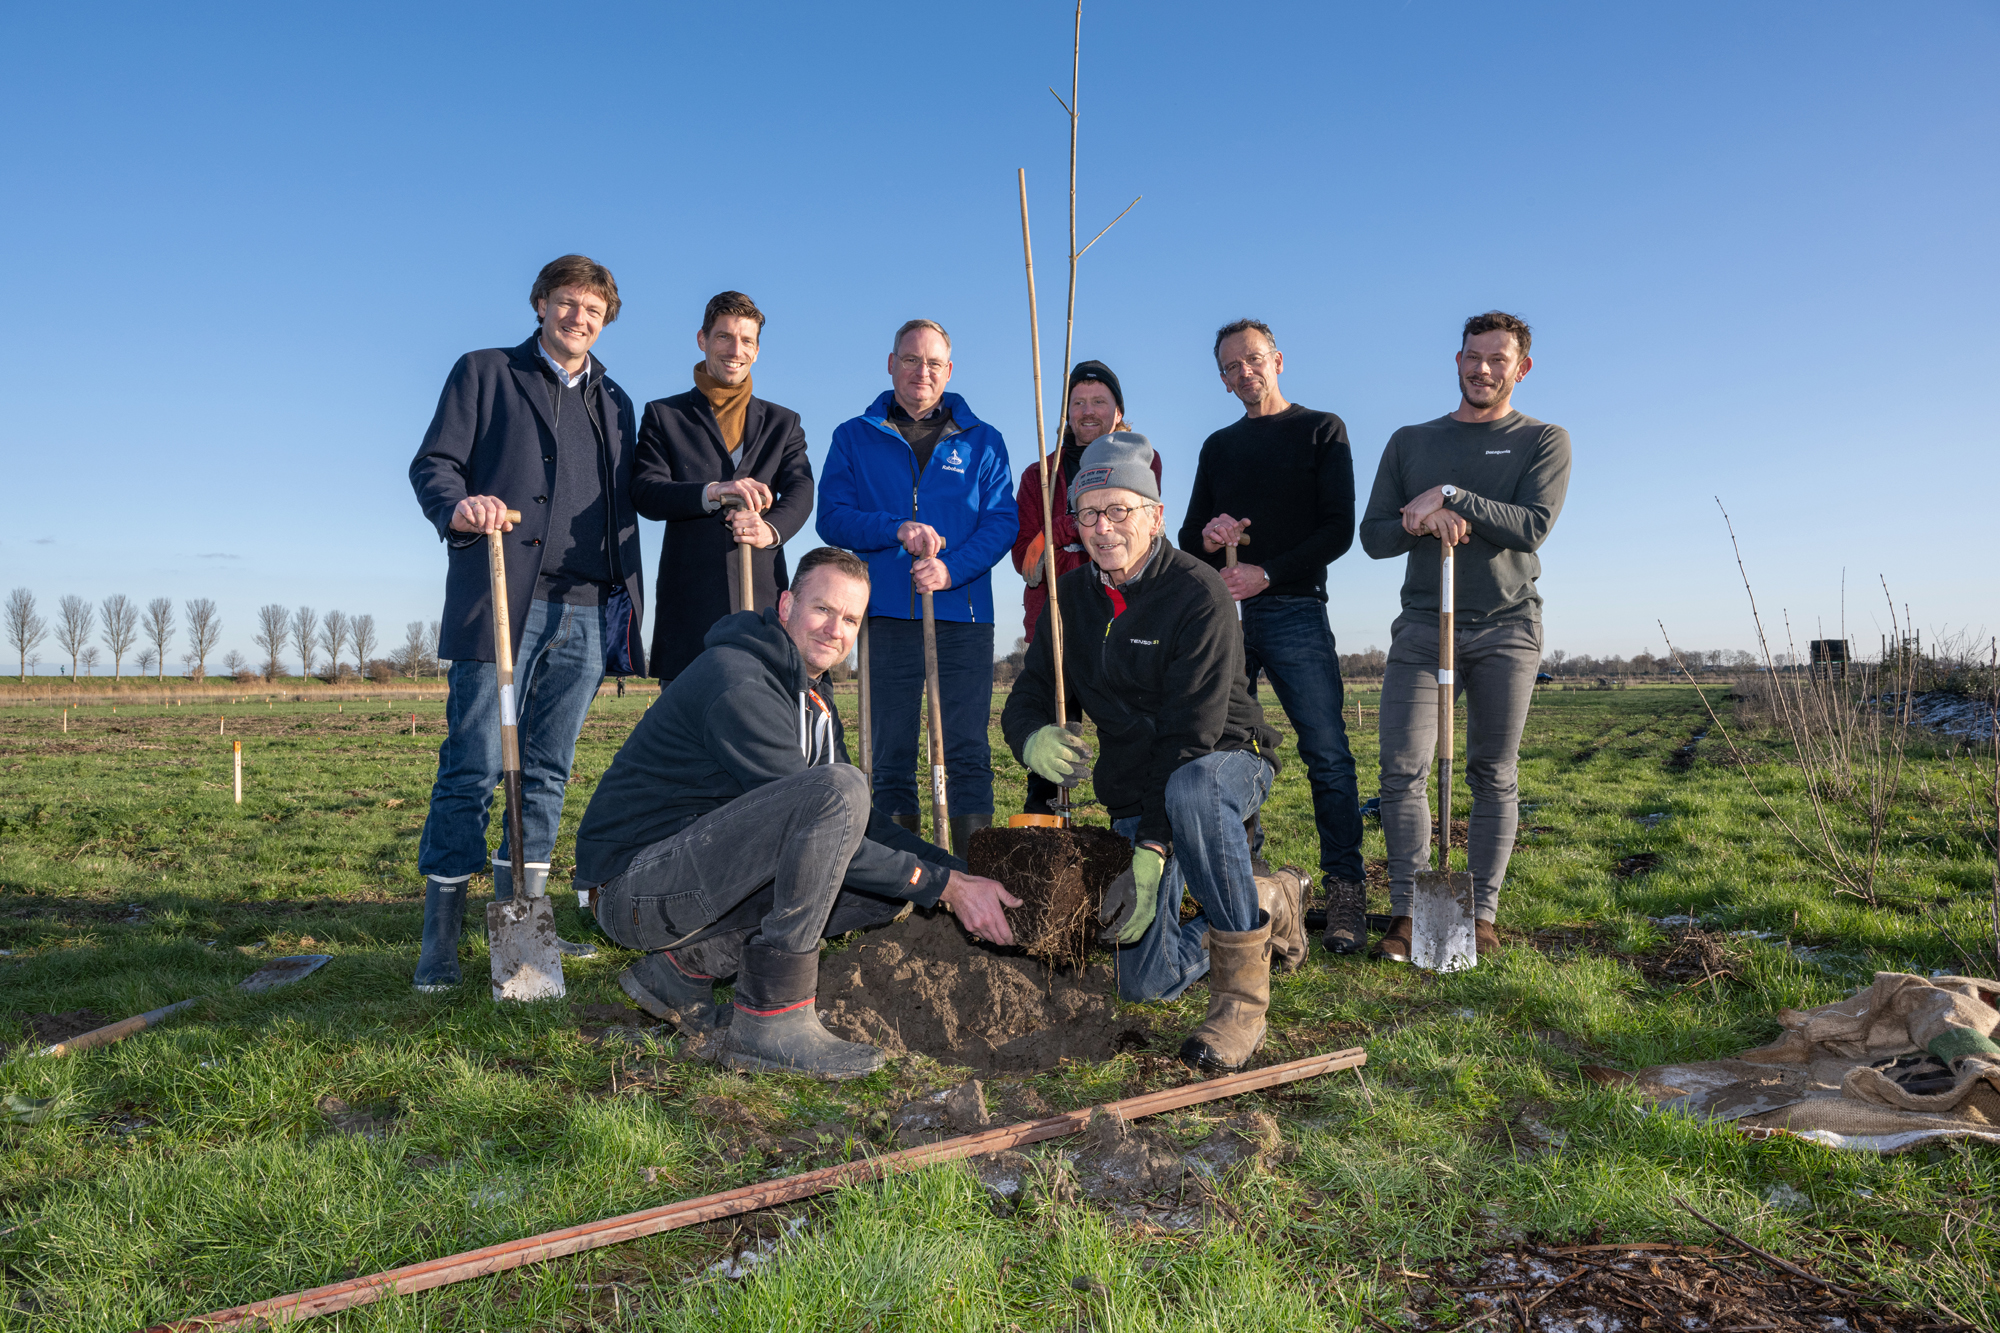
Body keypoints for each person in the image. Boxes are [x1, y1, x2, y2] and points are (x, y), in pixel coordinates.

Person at [573, 546, 1021, 1079]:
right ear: (786, 605)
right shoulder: (737, 678)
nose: (836, 629)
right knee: (839, 792)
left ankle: (679, 970)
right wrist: (943, 887)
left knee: (878, 890)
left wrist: (953, 873)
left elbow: (864, 827)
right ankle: (771, 1020)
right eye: (823, 610)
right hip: (633, 890)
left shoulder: (813, 698)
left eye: (851, 618)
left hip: (692, 880)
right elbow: (825, 812)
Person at [1002, 432, 1306, 1075]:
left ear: (1155, 516)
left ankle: (1241, 1000)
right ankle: (1265, 902)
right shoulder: (1074, 602)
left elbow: (1189, 734)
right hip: (1137, 783)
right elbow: (1028, 692)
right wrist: (1031, 737)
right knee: (1144, 981)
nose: (1103, 528)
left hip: (1223, 759)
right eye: (1088, 514)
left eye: (1120, 511)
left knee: (1192, 789)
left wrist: (1152, 847)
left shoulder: (1199, 595)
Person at [407, 254, 646, 988]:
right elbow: (433, 465)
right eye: (568, 304)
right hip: (503, 601)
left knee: (545, 771)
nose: (580, 318)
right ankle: (439, 939)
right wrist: (460, 506)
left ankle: (525, 934)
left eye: (594, 311)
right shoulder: (484, 373)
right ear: (541, 303)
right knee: (474, 766)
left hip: (586, 608)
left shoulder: (616, 401)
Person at [1359, 311, 1571, 963]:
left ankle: (1478, 913)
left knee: (1491, 771)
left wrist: (1453, 495)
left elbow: (1530, 524)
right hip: (1424, 625)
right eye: (1472, 357)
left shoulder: (1543, 439)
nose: (1483, 369)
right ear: (1457, 361)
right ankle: (1408, 910)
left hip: (1507, 627)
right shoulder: (1409, 439)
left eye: (1497, 359)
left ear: (1521, 367)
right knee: (1401, 769)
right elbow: (1374, 537)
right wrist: (1420, 520)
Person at [1178, 319, 1366, 955]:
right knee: (1219, 746)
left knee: (1327, 752)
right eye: (1229, 368)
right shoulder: (1217, 446)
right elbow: (1187, 537)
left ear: (1277, 360)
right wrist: (1207, 541)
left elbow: (1338, 528)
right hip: (1224, 619)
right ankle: (1244, 885)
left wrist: (1269, 572)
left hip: (1294, 609)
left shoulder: (1321, 430)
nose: (1242, 375)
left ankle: (1345, 893)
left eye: (1252, 360)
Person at [816, 320, 1017, 851]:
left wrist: (952, 569)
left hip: (963, 619)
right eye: (910, 360)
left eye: (932, 363)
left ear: (948, 371)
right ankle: (900, 884)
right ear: (891, 364)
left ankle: (975, 881)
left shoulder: (984, 441)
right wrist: (893, 528)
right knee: (890, 755)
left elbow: (1002, 523)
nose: (920, 372)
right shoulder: (853, 436)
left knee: (966, 751)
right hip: (883, 616)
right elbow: (832, 517)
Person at [632, 291, 815, 682]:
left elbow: (801, 490)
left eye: (747, 340)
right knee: (684, 737)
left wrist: (770, 529)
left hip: (764, 607)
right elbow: (646, 490)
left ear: (757, 349)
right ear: (702, 340)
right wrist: (711, 491)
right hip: (689, 609)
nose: (736, 350)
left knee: (758, 732)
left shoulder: (784, 423)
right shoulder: (664, 416)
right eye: (724, 337)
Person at [1008, 360, 1160, 817]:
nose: (1087, 411)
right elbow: (1026, 560)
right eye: (1078, 403)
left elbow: (1135, 542)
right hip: (1057, 621)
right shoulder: (1040, 475)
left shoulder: (1142, 463)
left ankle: (1146, 822)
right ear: (1066, 412)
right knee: (1053, 728)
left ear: (1119, 410)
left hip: (1125, 618)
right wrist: (1071, 525)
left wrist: (1068, 527)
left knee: (1140, 728)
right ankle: (1047, 826)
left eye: (1099, 401)